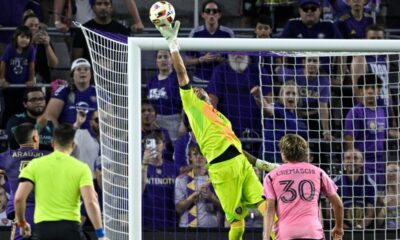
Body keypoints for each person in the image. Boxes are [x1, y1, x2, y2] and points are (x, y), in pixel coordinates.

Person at [155, 20, 279, 240]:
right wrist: (173, 44)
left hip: (241, 164)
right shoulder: (193, 108)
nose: (198, 89)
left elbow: (236, 147)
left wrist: (261, 163)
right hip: (221, 168)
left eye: (200, 88)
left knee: (267, 207)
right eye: (194, 90)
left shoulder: (220, 116)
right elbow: (183, 76)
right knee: (237, 223)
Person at [14, 123, 104, 240]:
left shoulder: (35, 164)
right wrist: (100, 235)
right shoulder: (82, 168)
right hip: (71, 230)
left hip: (42, 231)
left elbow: (19, 199)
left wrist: (22, 223)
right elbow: (91, 202)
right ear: (73, 145)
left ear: (52, 143)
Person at [263, 134, 344, 240]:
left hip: (285, 233)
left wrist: (266, 236)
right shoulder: (318, 172)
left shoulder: (271, 176)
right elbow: (338, 205)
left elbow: (269, 210)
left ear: (283, 154)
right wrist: (338, 227)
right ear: (304, 153)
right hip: (312, 232)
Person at [207, 53, 273, 156]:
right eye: (234, 51)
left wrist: (259, 98)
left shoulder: (259, 71)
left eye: (241, 51)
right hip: (228, 134)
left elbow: (270, 104)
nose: (237, 54)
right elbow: (211, 103)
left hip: (257, 133)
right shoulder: (220, 71)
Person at [344, 74, 400, 194]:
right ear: (361, 91)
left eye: (373, 87)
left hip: (379, 163)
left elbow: (386, 131)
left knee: (379, 197)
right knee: (367, 199)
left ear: (379, 90)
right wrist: (354, 163)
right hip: (364, 164)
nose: (370, 91)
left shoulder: (382, 111)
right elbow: (349, 138)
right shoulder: (355, 112)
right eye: (366, 87)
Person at [0, 123, 50, 239]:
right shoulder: (49, 157)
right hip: (46, 213)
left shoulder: (8, 157)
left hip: (21, 213)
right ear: (35, 138)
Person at [251, 82, 308, 163]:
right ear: (281, 96)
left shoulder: (298, 119)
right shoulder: (277, 108)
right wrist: (258, 96)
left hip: (288, 159)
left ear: (298, 97)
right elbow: (266, 107)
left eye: (294, 94)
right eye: (287, 93)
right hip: (271, 156)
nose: (291, 96)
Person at [184, 0, 234, 84]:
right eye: (208, 11)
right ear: (203, 15)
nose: (211, 14)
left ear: (219, 15)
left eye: (215, 11)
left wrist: (221, 59)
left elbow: (235, 61)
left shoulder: (228, 33)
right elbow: (187, 60)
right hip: (200, 80)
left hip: (223, 80)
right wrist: (202, 59)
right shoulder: (195, 33)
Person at [41, 58, 97, 130]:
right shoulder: (64, 90)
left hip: (94, 138)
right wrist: (60, 134)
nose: (83, 72)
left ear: (91, 74)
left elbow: (110, 117)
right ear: (72, 74)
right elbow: (49, 115)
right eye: (78, 69)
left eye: (86, 69)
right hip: (69, 136)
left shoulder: (99, 92)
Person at [175, 144, 221, 227]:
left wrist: (211, 197)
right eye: (195, 154)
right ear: (190, 157)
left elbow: (224, 209)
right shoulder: (181, 179)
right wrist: (193, 196)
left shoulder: (217, 179)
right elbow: (178, 209)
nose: (199, 157)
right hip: (186, 232)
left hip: (211, 231)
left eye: (202, 154)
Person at [141, 131, 178, 230]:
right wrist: (144, 163)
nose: (155, 146)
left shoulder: (173, 168)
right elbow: (138, 191)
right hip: (146, 223)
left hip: (169, 222)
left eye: (157, 142)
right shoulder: (140, 168)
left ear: (164, 145)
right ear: (145, 147)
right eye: (150, 143)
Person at [0, 25, 36, 127]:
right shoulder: (10, 47)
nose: (24, 40)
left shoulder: (31, 49)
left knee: (21, 109)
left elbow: (32, 65)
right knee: (9, 108)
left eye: (27, 38)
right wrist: (2, 79)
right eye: (22, 37)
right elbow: (3, 63)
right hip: (9, 85)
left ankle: (22, 130)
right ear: (16, 37)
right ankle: (4, 130)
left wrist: (30, 79)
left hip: (22, 86)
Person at [333, 148, 376, 229]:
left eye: (355, 158)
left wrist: (359, 229)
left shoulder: (369, 183)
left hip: (362, 230)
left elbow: (370, 212)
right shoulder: (335, 183)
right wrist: (346, 230)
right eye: (348, 158)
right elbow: (331, 212)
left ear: (362, 162)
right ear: (343, 161)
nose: (351, 161)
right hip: (341, 229)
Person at [146, 50, 182, 141]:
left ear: (172, 60)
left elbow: (186, 105)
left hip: (174, 121)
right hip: (155, 122)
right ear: (156, 61)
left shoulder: (178, 79)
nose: (163, 60)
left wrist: (183, 124)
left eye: (166, 57)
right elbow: (147, 104)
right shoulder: (151, 81)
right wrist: (151, 119)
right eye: (160, 57)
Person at [54, 0, 143, 33]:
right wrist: (57, 21)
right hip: (82, 23)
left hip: (106, 24)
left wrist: (138, 21)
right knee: (81, 59)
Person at [23, 10, 59, 84]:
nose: (34, 28)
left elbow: (54, 64)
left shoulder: (42, 40)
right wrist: (31, 42)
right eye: (30, 25)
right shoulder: (17, 41)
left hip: (42, 81)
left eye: (36, 25)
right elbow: (21, 59)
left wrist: (47, 45)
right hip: (24, 81)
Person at [72, 110, 100, 174]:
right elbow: (66, 142)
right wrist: (77, 124)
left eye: (104, 120)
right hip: (83, 180)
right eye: (97, 120)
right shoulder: (80, 134)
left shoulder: (109, 141)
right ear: (91, 123)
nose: (101, 123)